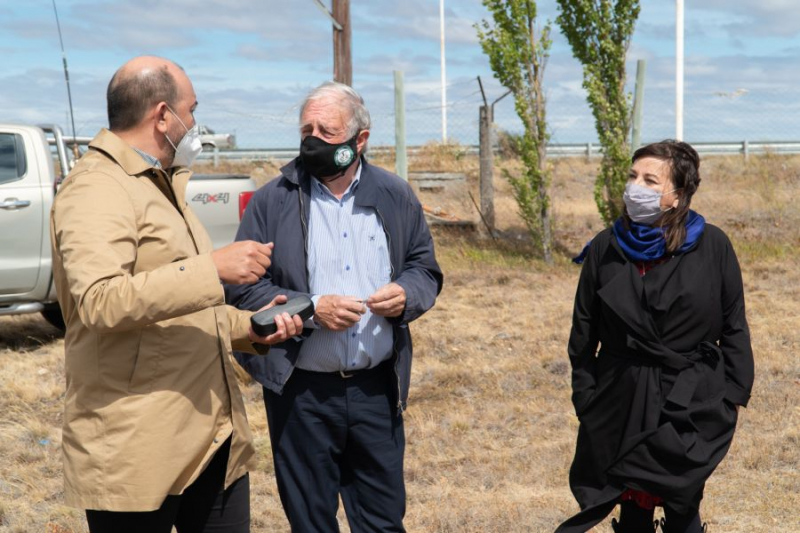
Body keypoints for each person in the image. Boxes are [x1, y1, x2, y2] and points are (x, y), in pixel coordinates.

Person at [50, 56, 304, 533]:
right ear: (162, 116)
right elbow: (100, 301)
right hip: (137, 448)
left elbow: (177, 306)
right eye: (192, 110)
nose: (195, 124)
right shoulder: (96, 188)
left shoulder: (161, 182)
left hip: (210, 439)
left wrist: (248, 327)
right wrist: (213, 267)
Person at [225, 81, 443, 532]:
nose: (313, 139)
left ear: (359, 140)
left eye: (327, 130)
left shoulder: (394, 195)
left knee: (382, 521)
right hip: (300, 394)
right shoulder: (273, 200)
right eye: (307, 128)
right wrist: (310, 311)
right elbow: (243, 291)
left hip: (375, 390)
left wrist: (406, 295)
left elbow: (424, 267)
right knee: (311, 522)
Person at [557, 140, 754, 533]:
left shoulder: (713, 245)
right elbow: (582, 332)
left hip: (691, 398)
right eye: (633, 177)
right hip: (619, 398)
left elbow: (734, 326)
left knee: (683, 503)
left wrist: (732, 396)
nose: (636, 187)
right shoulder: (605, 247)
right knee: (630, 505)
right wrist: (586, 398)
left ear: (677, 194)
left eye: (650, 180)